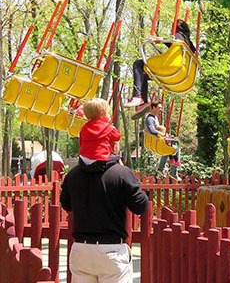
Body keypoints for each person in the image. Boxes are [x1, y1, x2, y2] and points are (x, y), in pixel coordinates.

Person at [61, 147, 148, 282]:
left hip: (81, 249)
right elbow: (140, 206)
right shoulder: (122, 173)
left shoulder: (73, 174)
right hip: (112, 249)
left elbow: (66, 204)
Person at [127, 19, 196, 109]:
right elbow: (175, 45)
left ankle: (137, 96)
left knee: (138, 64)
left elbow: (177, 41)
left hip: (170, 66)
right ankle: (142, 102)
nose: (171, 31)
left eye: (172, 28)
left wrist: (162, 40)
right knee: (143, 73)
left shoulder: (179, 36)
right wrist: (164, 41)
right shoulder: (188, 45)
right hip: (183, 74)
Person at [79, 98, 122, 166]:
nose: (109, 115)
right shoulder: (109, 128)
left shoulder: (84, 128)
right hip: (101, 160)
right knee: (117, 158)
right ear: (102, 115)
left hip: (84, 160)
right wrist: (113, 128)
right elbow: (117, 137)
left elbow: (81, 143)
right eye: (108, 113)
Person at [144, 101, 181, 181]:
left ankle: (161, 168)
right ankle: (173, 172)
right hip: (155, 141)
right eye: (159, 108)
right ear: (153, 108)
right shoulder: (150, 118)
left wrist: (167, 135)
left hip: (159, 140)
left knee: (172, 145)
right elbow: (152, 130)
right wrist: (163, 135)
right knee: (175, 147)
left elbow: (158, 130)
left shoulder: (155, 118)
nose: (160, 110)